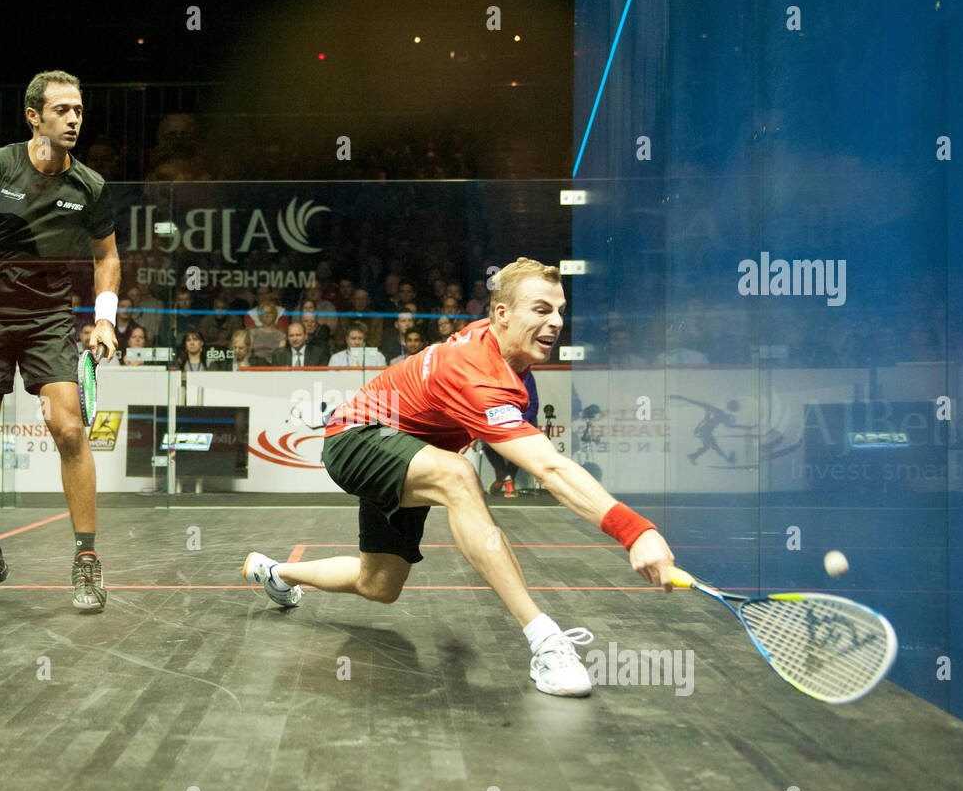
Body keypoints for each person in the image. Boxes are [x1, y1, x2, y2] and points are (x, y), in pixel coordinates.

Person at [243, 258, 677, 698]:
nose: (557, 322)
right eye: (542, 310)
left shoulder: (498, 343)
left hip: (405, 452)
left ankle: (278, 574)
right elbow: (549, 467)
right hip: (355, 438)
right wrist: (634, 531)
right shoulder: (474, 371)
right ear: (503, 316)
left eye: (561, 310)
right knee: (458, 475)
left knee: (379, 586)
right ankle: (545, 640)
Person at [0, 69, 119, 611]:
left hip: (48, 323)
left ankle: (86, 561)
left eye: (79, 111)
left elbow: (106, 256)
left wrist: (105, 317)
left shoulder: (89, 186)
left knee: (68, 429)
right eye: (62, 110)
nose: (73, 119)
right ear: (34, 116)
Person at [484, 369, 539, 497]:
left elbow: (534, 405)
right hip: (501, 422)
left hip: (521, 422)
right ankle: (507, 479)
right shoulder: (494, 374)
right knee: (487, 445)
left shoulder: (527, 376)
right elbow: (489, 404)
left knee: (521, 447)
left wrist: (519, 422)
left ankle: (502, 479)